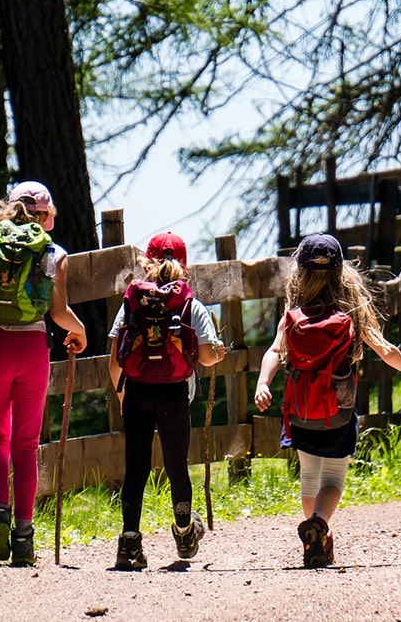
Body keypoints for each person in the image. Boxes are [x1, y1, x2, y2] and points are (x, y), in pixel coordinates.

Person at [254, 232, 401, 568]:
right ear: (341, 272)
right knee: (333, 479)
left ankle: (317, 534)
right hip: (338, 414)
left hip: (300, 413)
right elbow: (382, 348)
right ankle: (319, 524)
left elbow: (274, 351)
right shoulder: (351, 312)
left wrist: (263, 382)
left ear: (298, 273)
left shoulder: (293, 314)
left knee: (309, 476)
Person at [0, 181, 87, 566]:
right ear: (47, 216)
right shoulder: (53, 253)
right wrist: (80, 331)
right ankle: (23, 536)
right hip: (31, 350)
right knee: (26, 445)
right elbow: (57, 313)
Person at [108, 232, 225, 570]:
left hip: (137, 391)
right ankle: (185, 533)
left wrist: (121, 393)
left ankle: (129, 543)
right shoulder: (190, 304)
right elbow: (204, 356)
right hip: (174, 393)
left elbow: (116, 357)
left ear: (147, 262)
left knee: (136, 468)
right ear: (184, 265)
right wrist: (218, 352)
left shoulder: (132, 302)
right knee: (176, 466)